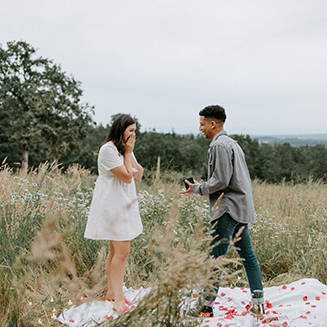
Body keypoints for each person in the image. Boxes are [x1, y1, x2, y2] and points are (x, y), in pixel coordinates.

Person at [181, 105, 265, 317]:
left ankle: (205, 308)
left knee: (214, 260)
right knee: (248, 258)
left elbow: (220, 181)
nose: (200, 128)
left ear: (213, 123)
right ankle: (259, 304)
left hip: (227, 209)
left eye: (202, 124)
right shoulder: (233, 144)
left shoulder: (218, 146)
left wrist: (197, 188)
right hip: (241, 208)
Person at [84, 114, 144, 314]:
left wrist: (130, 156)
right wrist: (128, 154)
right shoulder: (109, 149)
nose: (133, 135)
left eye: (135, 131)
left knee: (115, 251)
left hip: (124, 204)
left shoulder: (124, 150)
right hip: (113, 206)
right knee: (122, 252)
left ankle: (112, 291)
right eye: (130, 131)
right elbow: (127, 177)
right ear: (120, 130)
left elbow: (139, 172)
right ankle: (118, 299)